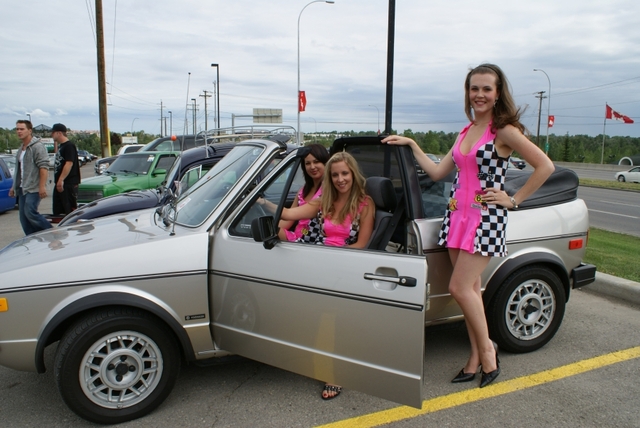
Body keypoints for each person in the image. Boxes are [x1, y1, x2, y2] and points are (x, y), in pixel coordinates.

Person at [382, 63, 554, 388]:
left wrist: (513, 199)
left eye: (486, 88)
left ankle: (488, 352)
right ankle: (475, 358)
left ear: (498, 93)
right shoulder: (466, 131)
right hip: (456, 217)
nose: (479, 94)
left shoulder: (503, 130)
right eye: (474, 88)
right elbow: (437, 173)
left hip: (485, 219)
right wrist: (413, 146)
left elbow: (545, 166)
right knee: (470, 291)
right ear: (468, 92)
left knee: (459, 288)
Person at [277, 143, 329, 242]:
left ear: (325, 163)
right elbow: (288, 220)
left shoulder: (330, 191)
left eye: (316, 162)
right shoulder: (302, 191)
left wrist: (265, 204)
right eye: (308, 163)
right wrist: (270, 224)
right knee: (267, 229)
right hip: (297, 238)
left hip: (315, 243)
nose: (312, 167)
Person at [9, 120, 53, 235]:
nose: (19, 131)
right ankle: (32, 239)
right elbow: (19, 170)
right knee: (23, 218)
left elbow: (43, 167)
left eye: (22, 129)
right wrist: (13, 187)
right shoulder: (21, 149)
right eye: (17, 129)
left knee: (30, 212)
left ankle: (52, 232)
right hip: (22, 187)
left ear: (29, 131)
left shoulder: (37, 146)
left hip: (34, 187)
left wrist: (42, 186)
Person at [51, 123, 81, 216]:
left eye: (53, 132)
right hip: (60, 183)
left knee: (69, 212)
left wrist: (61, 180)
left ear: (59, 133)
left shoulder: (69, 146)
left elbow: (69, 163)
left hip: (68, 184)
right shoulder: (61, 146)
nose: (51, 135)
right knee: (58, 212)